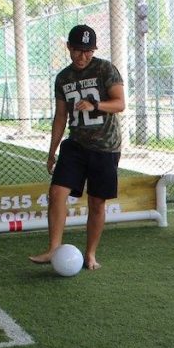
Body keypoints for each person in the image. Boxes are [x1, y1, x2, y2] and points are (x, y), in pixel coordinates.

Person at [29, 24, 125, 271]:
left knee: (96, 203)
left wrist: (95, 105)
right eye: (78, 50)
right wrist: (51, 152)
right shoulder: (63, 78)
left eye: (88, 51)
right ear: (69, 48)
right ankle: (53, 249)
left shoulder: (105, 68)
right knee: (56, 193)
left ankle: (90, 254)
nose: (83, 56)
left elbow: (119, 104)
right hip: (76, 145)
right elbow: (60, 117)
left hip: (106, 146)